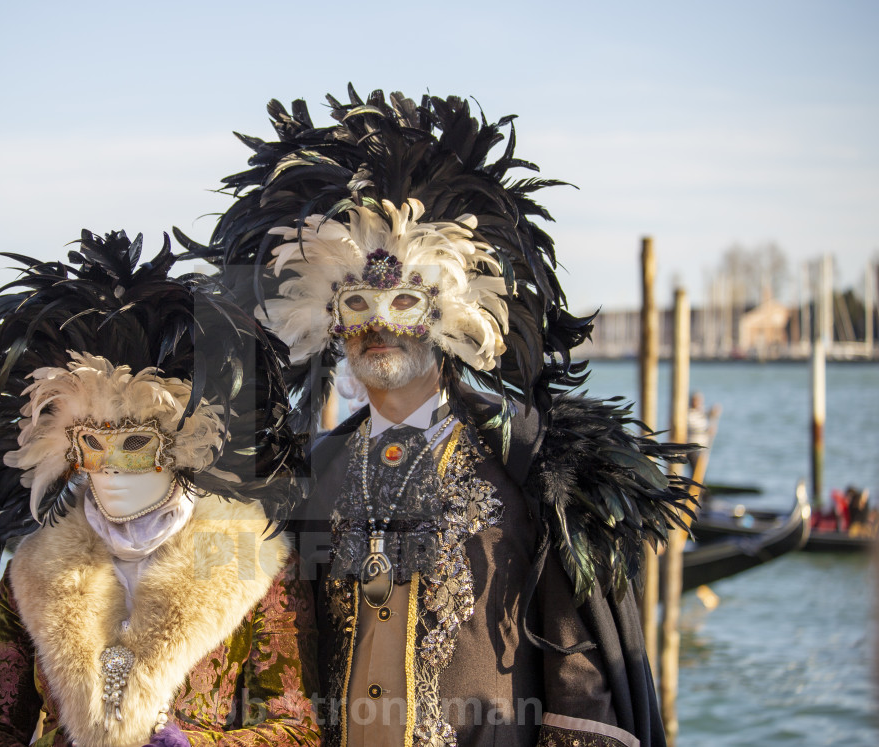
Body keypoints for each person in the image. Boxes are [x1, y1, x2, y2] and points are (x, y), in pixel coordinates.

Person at [179, 86, 695, 747]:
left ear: (448, 310)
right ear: (332, 321)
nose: (379, 325)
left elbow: (581, 699)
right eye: (358, 304)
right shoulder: (314, 476)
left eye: (404, 302)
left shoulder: (533, 469)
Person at [0, 231, 320, 747]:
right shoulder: (34, 571)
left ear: (181, 445)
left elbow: (297, 729)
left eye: (133, 442)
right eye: (90, 443)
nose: (108, 468)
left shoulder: (257, 561)